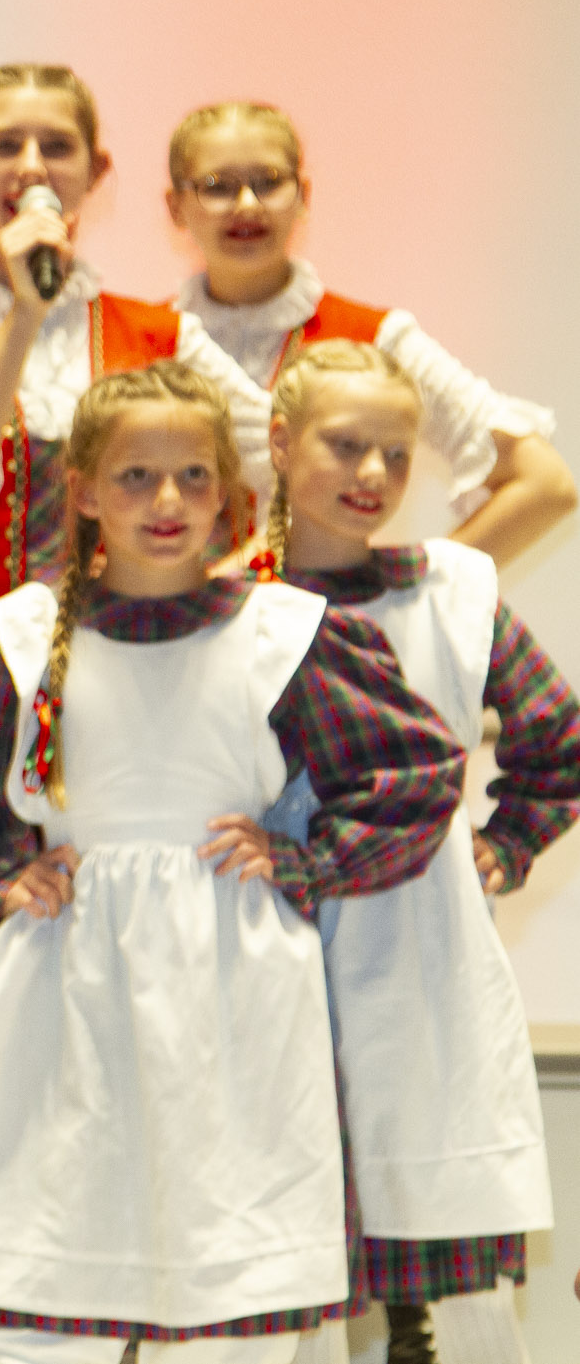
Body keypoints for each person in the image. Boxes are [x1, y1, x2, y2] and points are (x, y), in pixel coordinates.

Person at [0, 361, 465, 1363]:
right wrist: (1, 874)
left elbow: (414, 770)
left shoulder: (283, 633)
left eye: (193, 475)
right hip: (64, 987)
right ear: (82, 490)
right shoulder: (25, 635)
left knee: (228, 1277)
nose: (167, 499)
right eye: (135, 476)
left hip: (232, 986)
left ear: (229, 492)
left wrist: (307, 861)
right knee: (45, 1268)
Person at [0, 62, 272, 1281]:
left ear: (94, 174)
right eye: (5, 146)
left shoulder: (157, 338)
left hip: (125, 735)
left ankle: (92, 1309)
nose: (29, 168)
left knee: (116, 1051)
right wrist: (23, 324)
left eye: (54, 147)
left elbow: (273, 462)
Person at [260, 341, 573, 1364]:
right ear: (279, 442)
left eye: (395, 454)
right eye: (344, 445)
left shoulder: (450, 590)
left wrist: (500, 848)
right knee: (279, 1255)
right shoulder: (222, 599)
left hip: (418, 957)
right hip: (265, 948)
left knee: (443, 1243)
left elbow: (557, 740)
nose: (372, 474)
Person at [168, 101, 577, 566]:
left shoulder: (373, 339)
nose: (247, 205)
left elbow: (546, 485)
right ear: (175, 206)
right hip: (162, 612)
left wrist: (420, 592)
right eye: (217, 186)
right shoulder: (144, 336)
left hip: (323, 612)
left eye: (269, 182)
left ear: (303, 195)